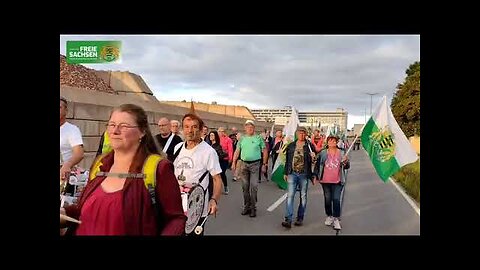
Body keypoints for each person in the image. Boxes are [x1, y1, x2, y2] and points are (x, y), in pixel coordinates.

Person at [60, 104, 186, 235]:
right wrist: (63, 214)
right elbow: (84, 210)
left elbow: (176, 219)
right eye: (112, 125)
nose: (115, 131)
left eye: (124, 126)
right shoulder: (100, 164)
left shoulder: (158, 168)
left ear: (142, 132)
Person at [172, 113, 223, 236]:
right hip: (176, 204)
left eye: (194, 127)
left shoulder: (209, 152)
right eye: (187, 127)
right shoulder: (178, 147)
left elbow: (217, 179)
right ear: (182, 129)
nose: (190, 130)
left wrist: (214, 199)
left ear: (201, 130)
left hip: (196, 206)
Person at [281, 127, 316, 228]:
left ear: (306, 134)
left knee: (303, 196)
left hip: (304, 174)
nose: (301, 135)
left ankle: (300, 218)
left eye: (303, 133)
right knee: (290, 196)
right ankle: (288, 219)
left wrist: (313, 158)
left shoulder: (309, 146)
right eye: (300, 133)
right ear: (296, 134)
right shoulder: (291, 145)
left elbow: (314, 162)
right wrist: (285, 172)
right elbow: (288, 160)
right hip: (292, 173)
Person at [313, 135, 350, 230]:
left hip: (338, 180)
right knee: (327, 199)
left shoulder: (341, 152)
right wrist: (315, 176)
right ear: (327, 142)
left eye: (334, 141)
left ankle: (336, 218)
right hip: (325, 180)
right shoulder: (323, 153)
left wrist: (346, 162)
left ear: (337, 142)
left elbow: (346, 167)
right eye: (330, 141)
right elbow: (318, 165)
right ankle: (329, 216)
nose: (331, 142)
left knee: (336, 199)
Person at [232, 120, 268, 218]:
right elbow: (237, 151)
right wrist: (233, 162)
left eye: (251, 127)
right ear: (245, 128)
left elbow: (264, 151)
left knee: (254, 186)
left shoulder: (258, 138)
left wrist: (264, 164)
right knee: (245, 187)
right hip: (244, 164)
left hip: (255, 165)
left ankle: (253, 208)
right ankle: (246, 206)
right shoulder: (242, 139)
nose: (249, 129)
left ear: (254, 128)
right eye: (247, 127)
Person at [60, 96, 84, 197]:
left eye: (60, 107)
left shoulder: (72, 130)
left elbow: (79, 153)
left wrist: (67, 165)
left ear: (66, 111)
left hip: (62, 175)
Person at [217, 127, 233, 194]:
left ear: (224, 132)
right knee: (217, 174)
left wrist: (230, 158)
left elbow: (230, 149)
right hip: (217, 159)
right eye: (219, 131)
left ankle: (225, 186)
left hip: (224, 159)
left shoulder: (228, 139)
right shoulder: (216, 139)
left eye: (222, 131)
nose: (220, 133)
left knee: (222, 173)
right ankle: (217, 188)